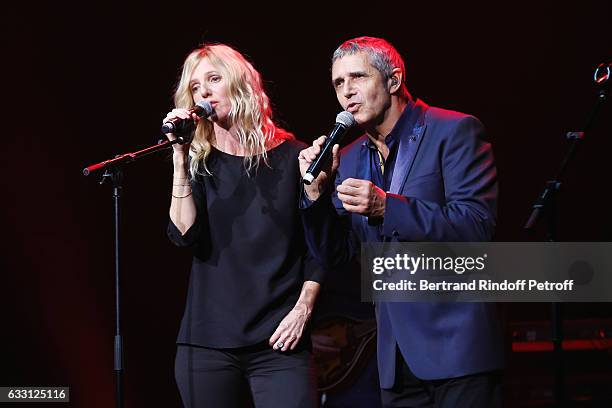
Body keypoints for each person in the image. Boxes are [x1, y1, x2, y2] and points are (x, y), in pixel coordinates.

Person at [298, 37, 504, 407]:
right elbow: (338, 255)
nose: (347, 92)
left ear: (393, 80)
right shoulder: (347, 158)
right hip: (394, 357)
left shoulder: (452, 131)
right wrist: (315, 198)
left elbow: (476, 226)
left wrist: (386, 207)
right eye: (338, 83)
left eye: (357, 77)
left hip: (457, 347)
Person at [165, 43, 322, 408]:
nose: (202, 91)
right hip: (206, 343)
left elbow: (321, 246)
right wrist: (179, 156)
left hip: (279, 342)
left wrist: (304, 309)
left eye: (214, 79)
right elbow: (184, 234)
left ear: (241, 84)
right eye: (195, 86)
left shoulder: (293, 157)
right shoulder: (198, 164)